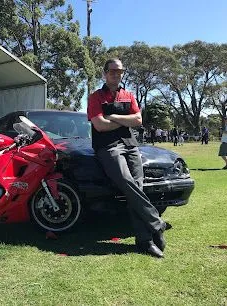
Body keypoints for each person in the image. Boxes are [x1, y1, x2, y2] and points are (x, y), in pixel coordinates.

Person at [87, 58, 166, 258]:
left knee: (137, 187)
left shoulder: (128, 95)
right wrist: (125, 121)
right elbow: (100, 126)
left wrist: (112, 117)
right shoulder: (95, 97)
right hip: (107, 147)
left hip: (131, 146)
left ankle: (144, 241)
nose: (116, 74)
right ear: (104, 73)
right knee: (126, 181)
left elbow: (138, 120)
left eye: (120, 71)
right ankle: (156, 223)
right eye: (112, 71)